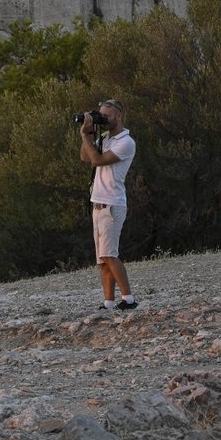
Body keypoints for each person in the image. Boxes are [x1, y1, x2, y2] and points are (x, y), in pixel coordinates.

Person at [79, 99, 138, 310]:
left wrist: (85, 135)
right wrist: (90, 134)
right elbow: (85, 156)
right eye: (100, 116)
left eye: (107, 116)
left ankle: (128, 299)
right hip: (98, 204)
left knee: (110, 255)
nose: (103, 119)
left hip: (112, 205)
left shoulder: (126, 142)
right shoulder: (105, 138)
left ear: (119, 115)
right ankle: (109, 302)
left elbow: (98, 161)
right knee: (102, 259)